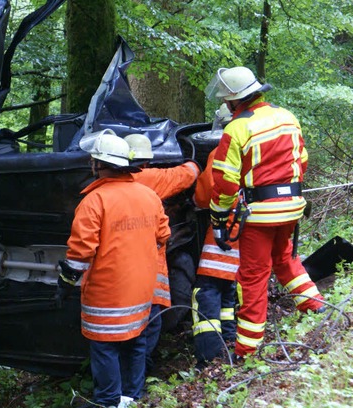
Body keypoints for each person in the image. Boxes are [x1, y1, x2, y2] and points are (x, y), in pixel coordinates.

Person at [205, 66, 325, 359]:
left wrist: (219, 216)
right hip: (291, 208)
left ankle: (247, 349)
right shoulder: (287, 117)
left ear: (234, 101)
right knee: (284, 259)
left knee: (252, 277)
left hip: (260, 215)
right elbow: (302, 160)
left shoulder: (237, 128)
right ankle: (317, 307)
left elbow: (225, 181)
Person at [56, 130, 171, 408]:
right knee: (135, 341)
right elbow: (163, 235)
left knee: (105, 346)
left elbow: (81, 252)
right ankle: (132, 398)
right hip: (142, 289)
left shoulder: (94, 201)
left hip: (107, 292)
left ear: (97, 164)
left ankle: (108, 405)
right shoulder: (149, 196)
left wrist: (65, 282)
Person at [123, 133, 202, 373]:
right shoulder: (148, 178)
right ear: (146, 161)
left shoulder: (102, 190)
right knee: (149, 326)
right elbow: (182, 176)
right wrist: (195, 163)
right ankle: (139, 377)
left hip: (118, 271)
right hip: (147, 270)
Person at [191, 104, 240, 367]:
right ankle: (229, 342)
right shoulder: (258, 144)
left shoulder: (223, 149)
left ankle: (210, 356)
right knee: (227, 291)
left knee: (206, 291)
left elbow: (204, 193)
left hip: (227, 230)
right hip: (255, 229)